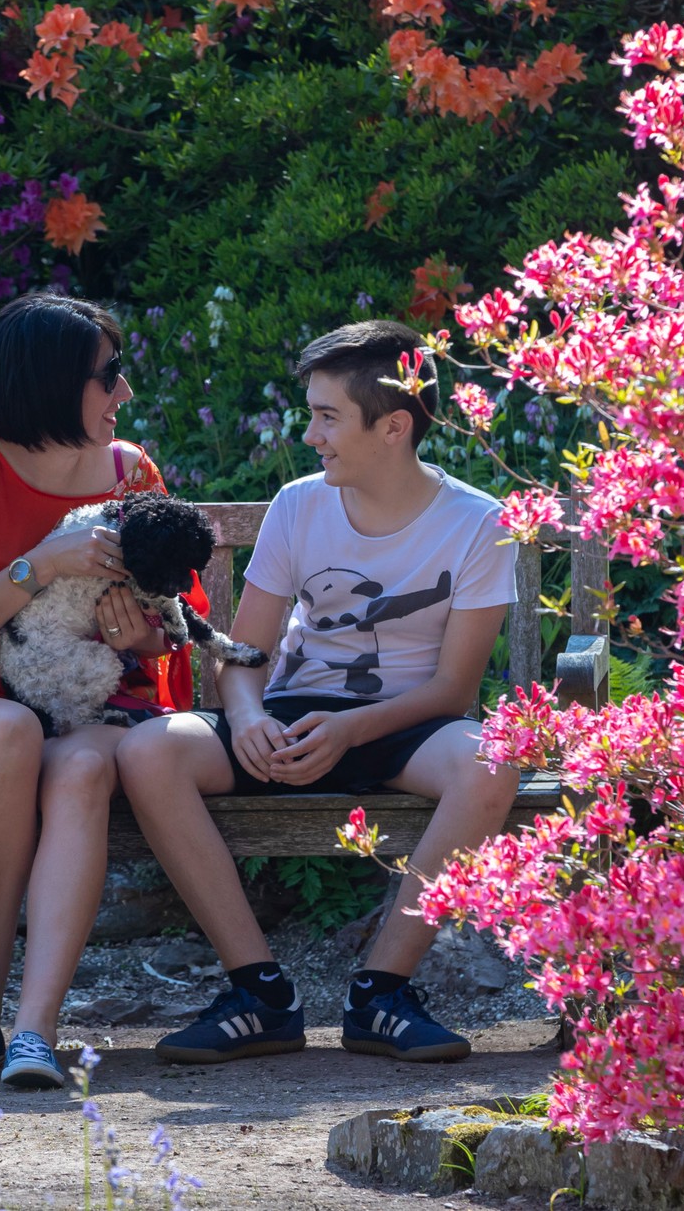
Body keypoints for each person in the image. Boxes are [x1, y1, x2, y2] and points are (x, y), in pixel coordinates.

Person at [115, 319, 524, 1065]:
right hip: (290, 718)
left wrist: (354, 731)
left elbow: (452, 688)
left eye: (327, 416)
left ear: (393, 426)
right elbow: (245, 653)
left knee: (491, 758)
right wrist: (243, 716)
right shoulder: (299, 504)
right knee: (149, 750)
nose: (310, 435)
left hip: (405, 726)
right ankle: (260, 993)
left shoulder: (476, 523)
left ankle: (383, 993)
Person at [0, 291, 199, 1088]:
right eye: (109, 376)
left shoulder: (134, 475)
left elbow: (170, 627)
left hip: (89, 703)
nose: (124, 394)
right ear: (52, 383)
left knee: (85, 767)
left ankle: (34, 1032)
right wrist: (41, 564)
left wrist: (139, 639)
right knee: (9, 734)